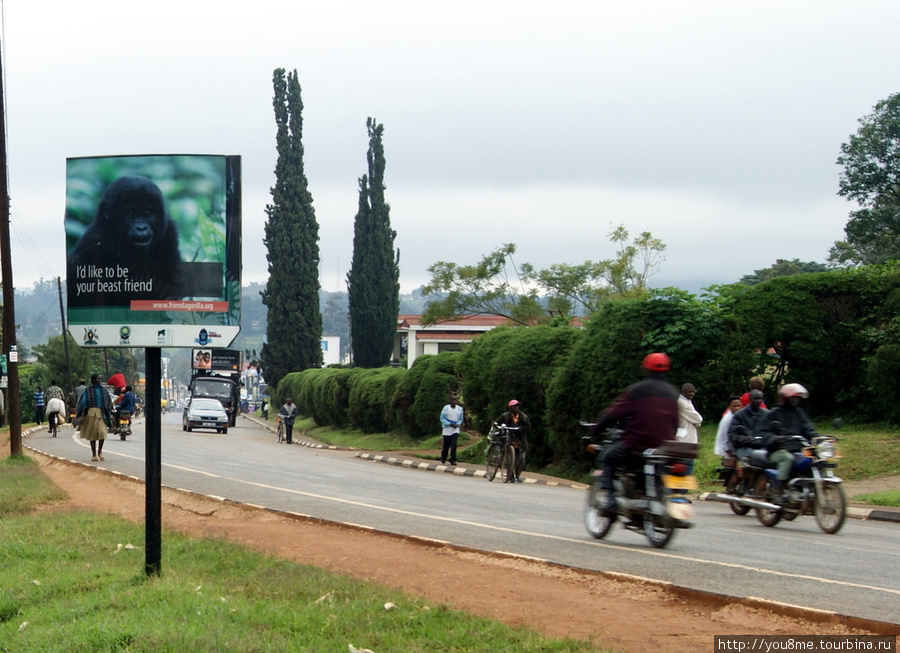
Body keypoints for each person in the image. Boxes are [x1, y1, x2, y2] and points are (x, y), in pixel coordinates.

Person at [592, 353, 679, 517]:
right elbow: (675, 422)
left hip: (637, 442)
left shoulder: (637, 390)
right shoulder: (673, 392)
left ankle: (610, 501)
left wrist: (597, 429)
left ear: (646, 369)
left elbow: (613, 414)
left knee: (607, 457)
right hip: (663, 446)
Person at [757, 383, 819, 502]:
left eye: (797, 398)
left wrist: (818, 439)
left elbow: (809, 429)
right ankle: (779, 490)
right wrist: (775, 438)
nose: (795, 400)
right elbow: (764, 432)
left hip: (798, 449)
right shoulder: (774, 414)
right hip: (777, 450)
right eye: (793, 398)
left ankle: (809, 488)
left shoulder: (799, 413)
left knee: (815, 458)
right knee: (787, 459)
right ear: (785, 398)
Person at [77, 373, 114, 462]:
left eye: (100, 379)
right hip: (91, 414)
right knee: (92, 434)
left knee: (102, 432)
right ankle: (93, 454)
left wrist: (109, 413)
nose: (100, 380)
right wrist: (82, 415)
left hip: (102, 414)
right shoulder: (88, 390)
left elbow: (108, 401)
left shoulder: (104, 390)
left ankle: (100, 452)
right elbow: (83, 402)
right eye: (98, 379)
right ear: (93, 380)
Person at [494, 399, 530, 483]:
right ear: (510, 408)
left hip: (520, 441)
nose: (516, 408)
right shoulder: (505, 416)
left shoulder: (523, 417)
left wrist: (520, 429)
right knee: (509, 460)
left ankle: (517, 475)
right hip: (508, 439)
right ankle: (511, 476)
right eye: (514, 406)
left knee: (521, 459)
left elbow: (528, 427)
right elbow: (497, 422)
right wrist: (496, 425)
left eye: (517, 406)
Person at [439, 395, 464, 465]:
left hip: (455, 429)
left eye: (456, 400)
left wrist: (458, 424)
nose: (454, 402)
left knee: (454, 445)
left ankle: (453, 459)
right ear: (450, 401)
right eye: (453, 400)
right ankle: (443, 457)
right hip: (447, 429)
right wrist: (449, 424)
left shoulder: (459, 409)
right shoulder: (446, 408)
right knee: (446, 445)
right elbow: (442, 418)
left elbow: (460, 419)